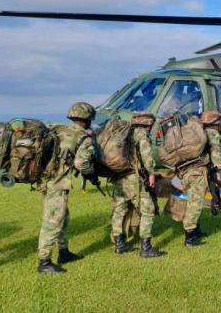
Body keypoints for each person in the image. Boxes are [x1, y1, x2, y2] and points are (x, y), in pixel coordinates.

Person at [36, 102, 97, 274]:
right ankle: (44, 262)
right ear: (87, 119)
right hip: (57, 184)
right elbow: (80, 163)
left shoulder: (57, 130)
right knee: (52, 222)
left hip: (46, 181)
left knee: (63, 218)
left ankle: (64, 252)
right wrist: (90, 172)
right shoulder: (82, 137)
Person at [108, 112, 164, 258]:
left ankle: (119, 244)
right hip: (134, 180)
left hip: (119, 178)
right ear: (147, 124)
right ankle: (146, 248)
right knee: (148, 210)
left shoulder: (124, 135)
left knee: (119, 210)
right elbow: (146, 156)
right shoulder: (142, 135)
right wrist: (151, 173)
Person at [179, 111, 221, 247]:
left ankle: (196, 230)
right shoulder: (212, 134)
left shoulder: (196, 133)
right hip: (198, 173)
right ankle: (190, 238)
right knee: (195, 204)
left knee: (192, 201)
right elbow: (215, 154)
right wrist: (218, 173)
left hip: (186, 172)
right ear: (215, 123)